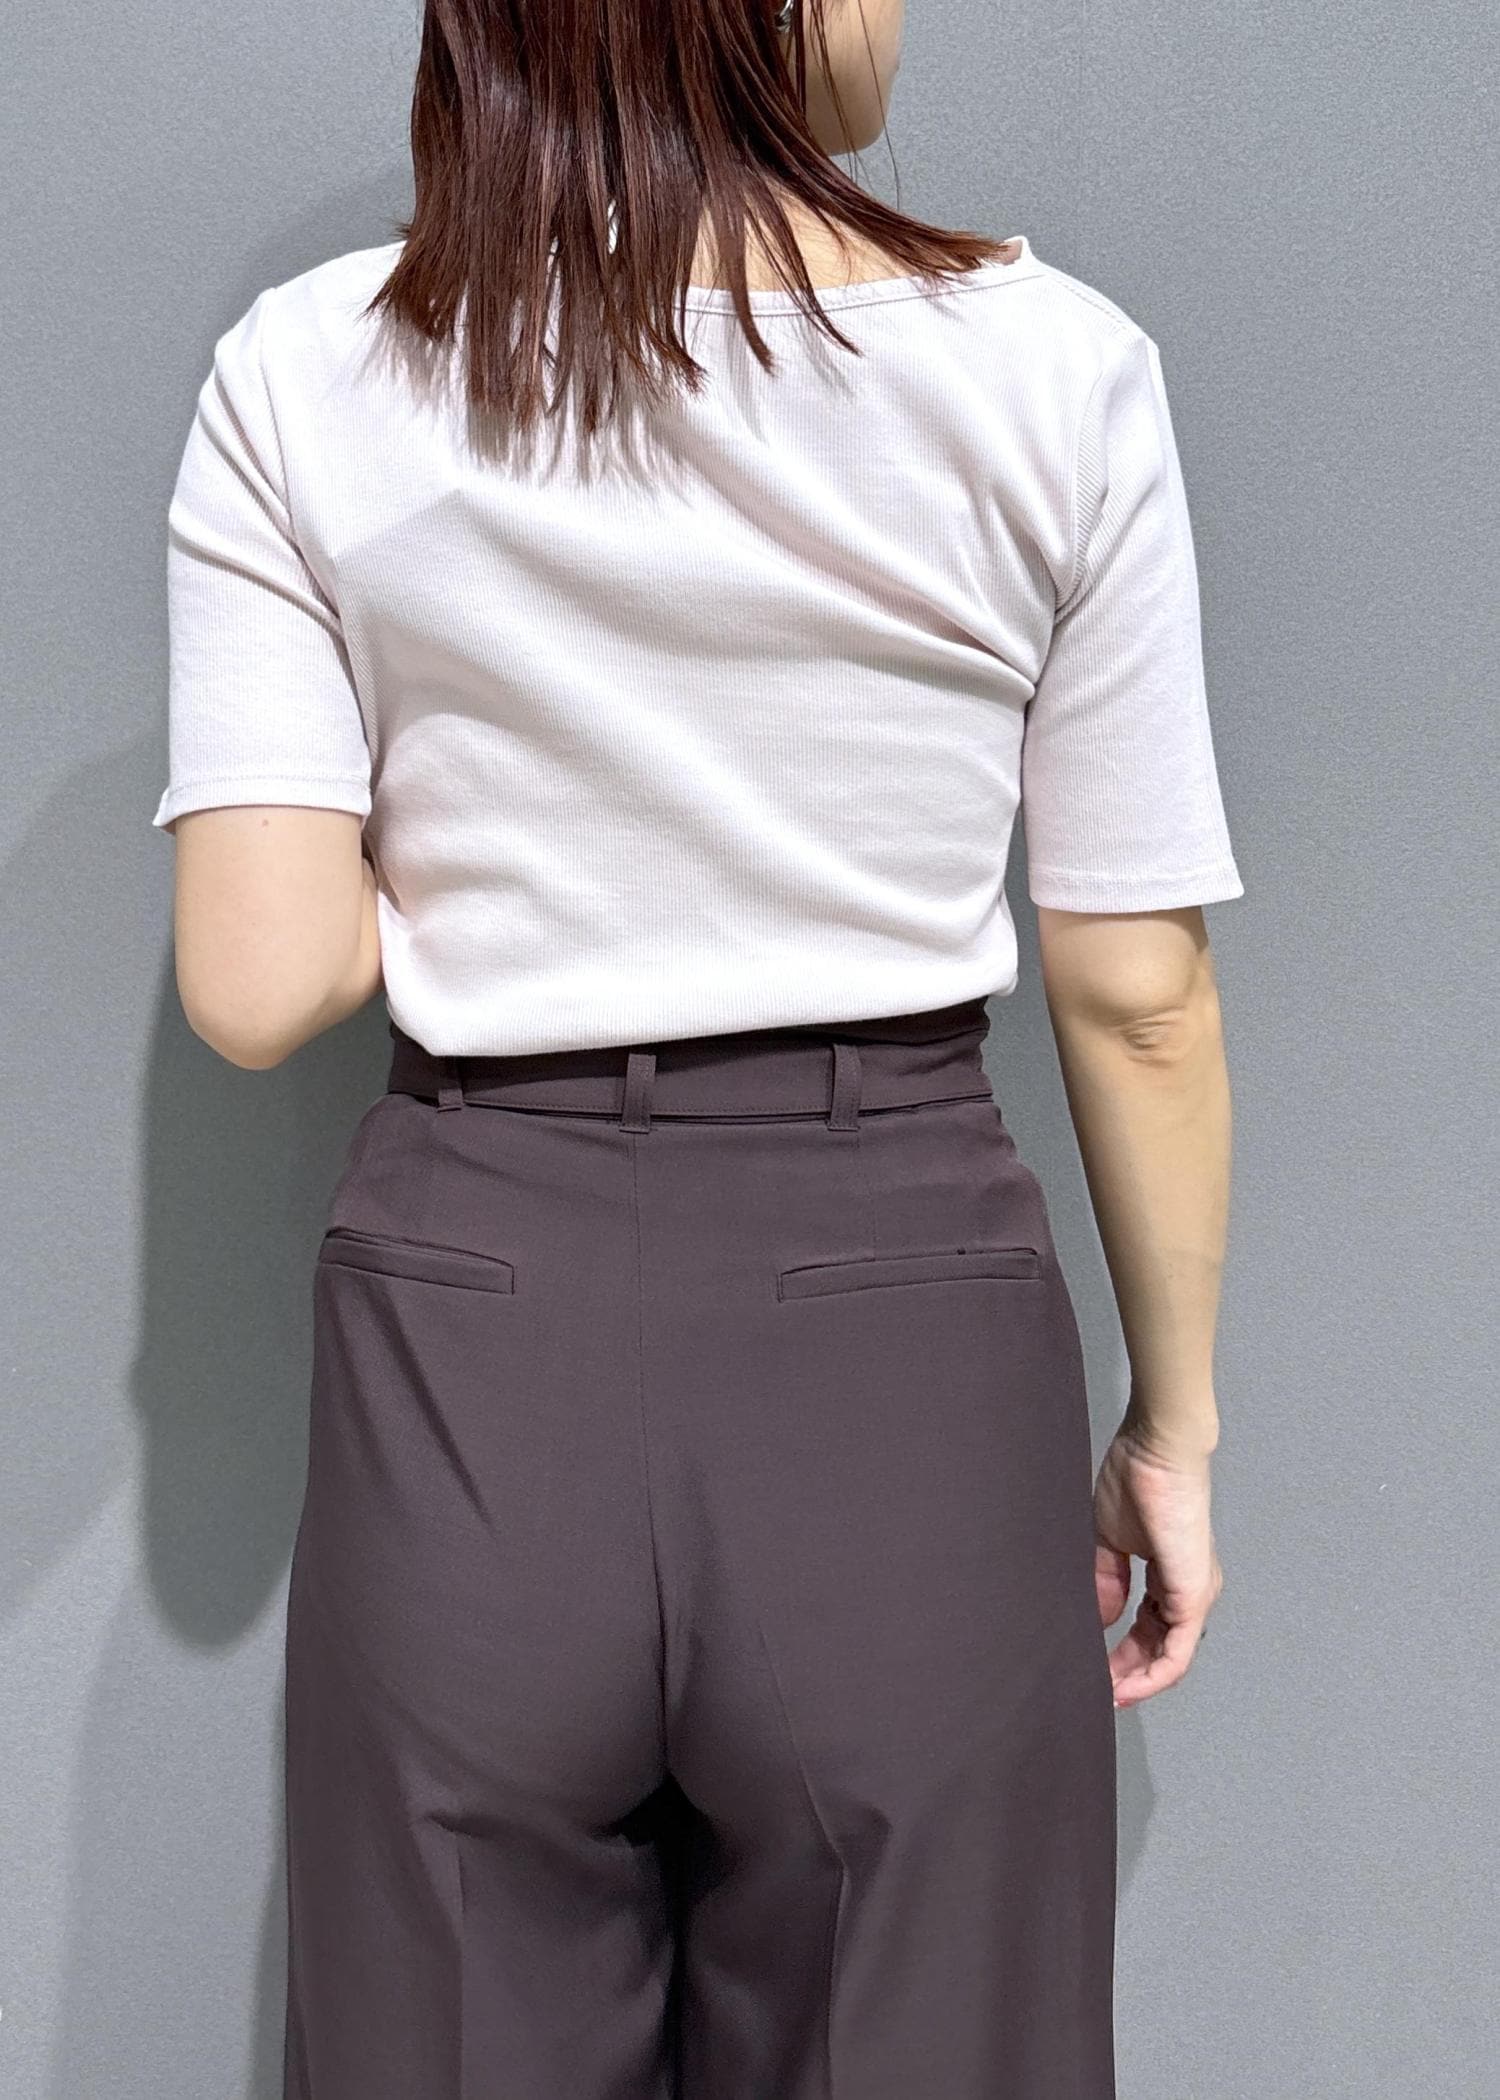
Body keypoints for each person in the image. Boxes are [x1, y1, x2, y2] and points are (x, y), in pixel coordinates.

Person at [151, 2, 1240, 2093]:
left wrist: (531, 818)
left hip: (475, 1313)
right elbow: (1140, 996)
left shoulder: (314, 368)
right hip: (900, 1311)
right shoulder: (1054, 368)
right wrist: (1166, 1433)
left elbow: (259, 985)